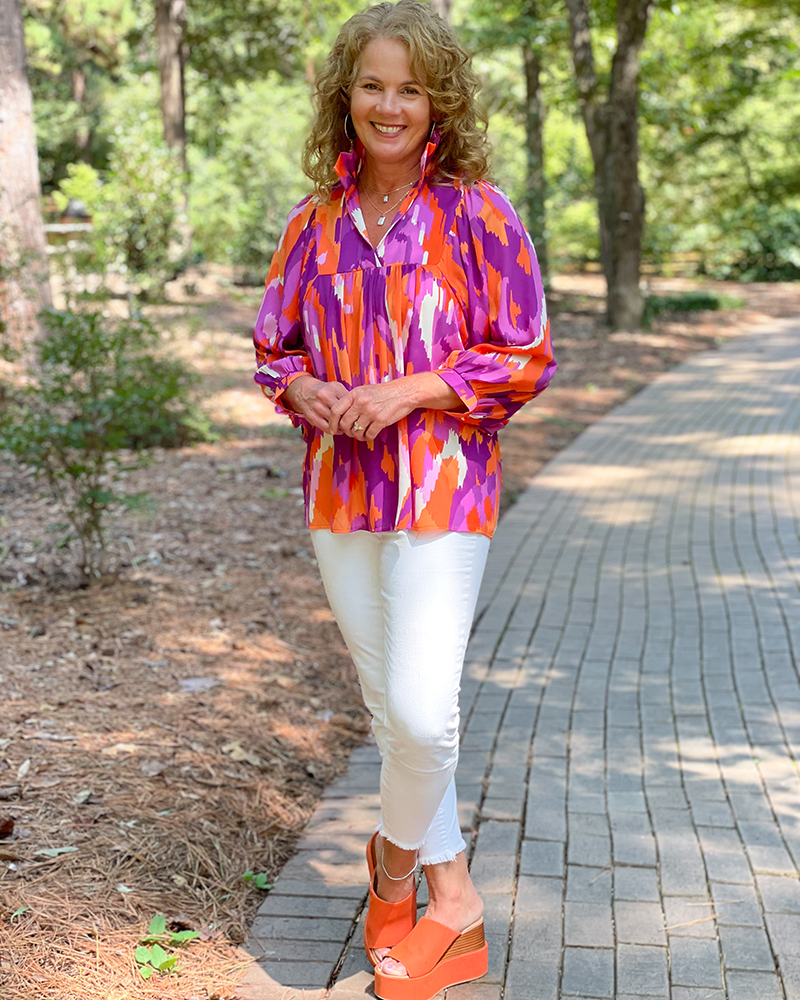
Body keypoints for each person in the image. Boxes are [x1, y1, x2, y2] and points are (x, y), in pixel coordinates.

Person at [253, 2, 555, 997]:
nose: (390, 105)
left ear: (439, 103)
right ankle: (453, 903)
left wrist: (407, 391)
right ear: (346, 94)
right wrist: (302, 388)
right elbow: (273, 349)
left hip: (441, 487)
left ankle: (393, 866)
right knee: (391, 712)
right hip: (340, 493)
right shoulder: (312, 223)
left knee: (424, 717)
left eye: (410, 88)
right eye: (373, 85)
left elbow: (524, 354)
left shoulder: (477, 213)